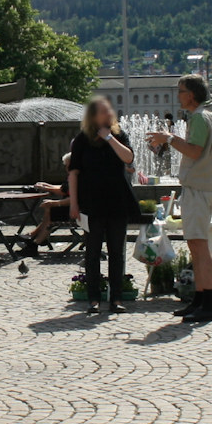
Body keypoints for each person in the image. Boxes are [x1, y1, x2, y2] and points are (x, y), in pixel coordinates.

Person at [148, 75, 212, 324]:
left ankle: (207, 304)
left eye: (180, 91)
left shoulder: (200, 117)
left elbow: (194, 150)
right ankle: (200, 300)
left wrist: (168, 138)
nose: (177, 95)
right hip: (202, 186)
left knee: (199, 248)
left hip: (199, 187)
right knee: (196, 246)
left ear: (191, 94)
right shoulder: (210, 115)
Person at [68, 97, 140, 314]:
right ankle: (93, 298)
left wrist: (109, 138)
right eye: (103, 110)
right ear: (93, 115)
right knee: (92, 252)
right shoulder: (82, 140)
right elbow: (73, 173)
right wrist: (74, 203)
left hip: (117, 201)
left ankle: (116, 298)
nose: (108, 113)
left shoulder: (118, 135)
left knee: (117, 252)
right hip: (92, 203)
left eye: (109, 109)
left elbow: (128, 158)